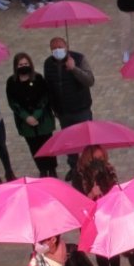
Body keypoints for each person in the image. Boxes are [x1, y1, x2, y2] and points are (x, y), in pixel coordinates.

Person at [71, 146, 131, 266]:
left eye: (101, 158)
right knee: (101, 252)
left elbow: (115, 186)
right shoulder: (79, 175)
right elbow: (77, 202)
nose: (99, 162)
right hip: (91, 219)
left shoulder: (108, 169)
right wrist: (91, 194)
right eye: (95, 159)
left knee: (114, 249)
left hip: (108, 214)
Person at [43, 37, 95, 175]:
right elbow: (48, 86)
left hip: (81, 109)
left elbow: (90, 80)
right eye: (54, 48)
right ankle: (74, 168)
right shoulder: (48, 64)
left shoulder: (78, 58)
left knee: (87, 140)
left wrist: (74, 69)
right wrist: (53, 108)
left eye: (60, 47)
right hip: (63, 112)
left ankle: (91, 166)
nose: (57, 50)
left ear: (66, 46)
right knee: (69, 142)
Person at [7, 52, 58, 177]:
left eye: (25, 63)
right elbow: (13, 102)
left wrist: (36, 115)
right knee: (34, 147)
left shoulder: (38, 78)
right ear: (16, 66)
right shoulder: (12, 82)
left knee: (47, 145)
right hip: (26, 124)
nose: (23, 66)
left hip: (43, 121)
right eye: (20, 64)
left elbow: (45, 97)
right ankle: (42, 170)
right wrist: (26, 117)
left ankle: (52, 169)